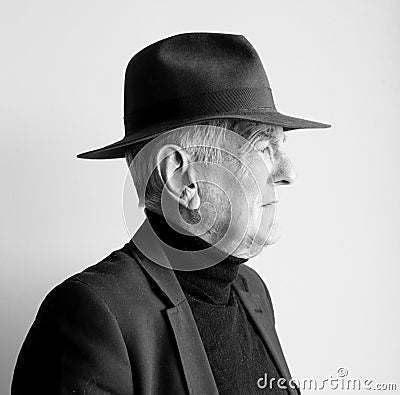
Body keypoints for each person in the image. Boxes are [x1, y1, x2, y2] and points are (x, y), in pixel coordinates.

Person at [12, 33, 330, 394]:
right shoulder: (93, 315)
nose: (289, 172)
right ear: (182, 178)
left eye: (281, 146)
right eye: (263, 147)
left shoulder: (252, 292)